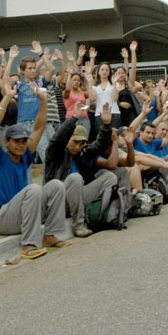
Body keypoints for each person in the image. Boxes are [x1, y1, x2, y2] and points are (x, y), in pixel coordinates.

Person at [0, 80, 71, 260]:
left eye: (24, 141)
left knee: (56, 185)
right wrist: (8, 97)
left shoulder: (25, 155)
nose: (21, 145)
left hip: (23, 214)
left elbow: (39, 127)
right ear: (7, 141)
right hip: (2, 219)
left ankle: (50, 236)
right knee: (33, 189)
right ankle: (29, 244)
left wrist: (43, 101)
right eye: (16, 141)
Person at [44, 101, 115, 238]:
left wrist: (106, 125)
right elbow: (56, 140)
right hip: (59, 201)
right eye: (74, 142)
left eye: (81, 143)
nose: (77, 147)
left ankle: (96, 215)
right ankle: (79, 225)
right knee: (75, 178)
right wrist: (74, 118)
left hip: (79, 198)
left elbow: (99, 145)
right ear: (67, 139)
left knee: (110, 177)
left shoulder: (82, 153)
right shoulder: (55, 153)